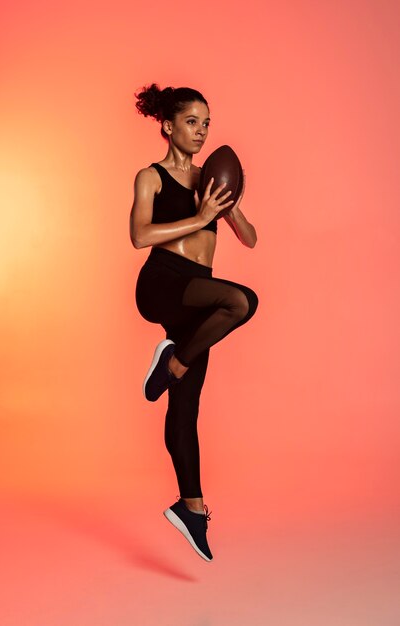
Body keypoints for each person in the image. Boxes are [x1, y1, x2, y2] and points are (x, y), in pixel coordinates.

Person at [130, 83, 259, 561]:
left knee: (185, 412)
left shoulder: (210, 178)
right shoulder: (151, 176)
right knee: (241, 301)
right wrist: (199, 215)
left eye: (206, 123)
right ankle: (175, 362)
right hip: (163, 282)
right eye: (191, 122)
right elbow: (140, 235)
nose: (201, 131)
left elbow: (249, 239)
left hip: (197, 294)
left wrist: (229, 208)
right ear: (167, 124)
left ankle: (192, 508)